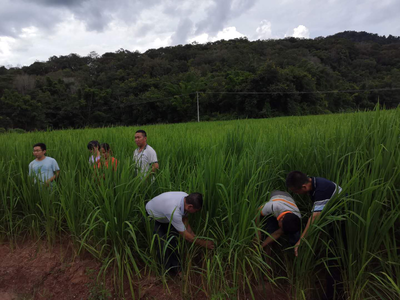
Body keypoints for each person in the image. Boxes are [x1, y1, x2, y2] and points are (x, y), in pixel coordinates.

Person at [286, 171, 344, 300]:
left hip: (344, 224)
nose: (297, 195)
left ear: (304, 187)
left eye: (296, 192)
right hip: (334, 221)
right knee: (330, 256)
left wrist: (301, 241)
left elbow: (314, 219)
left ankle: (333, 295)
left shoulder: (322, 190)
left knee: (333, 259)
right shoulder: (313, 183)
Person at [146, 192, 214, 274]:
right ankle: (165, 272)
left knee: (174, 240)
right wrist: (203, 243)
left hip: (165, 214)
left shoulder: (186, 198)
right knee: (162, 243)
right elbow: (186, 236)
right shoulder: (173, 211)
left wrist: (193, 235)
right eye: (196, 211)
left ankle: (177, 269)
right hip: (153, 215)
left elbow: (185, 217)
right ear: (190, 206)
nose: (196, 212)